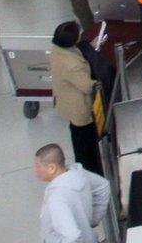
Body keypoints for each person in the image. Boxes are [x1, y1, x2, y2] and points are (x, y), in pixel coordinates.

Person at [47, 25, 102, 179]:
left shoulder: (58, 50)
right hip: (79, 106)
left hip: (66, 100)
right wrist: (98, 83)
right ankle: (91, 171)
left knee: (77, 132)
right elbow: (86, 86)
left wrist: (89, 48)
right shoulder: (73, 65)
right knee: (85, 141)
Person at [33, 144, 109, 243]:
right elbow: (103, 185)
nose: (35, 171)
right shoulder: (79, 175)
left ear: (52, 168)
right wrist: (93, 219)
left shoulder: (57, 198)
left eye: (38, 166)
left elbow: (73, 237)